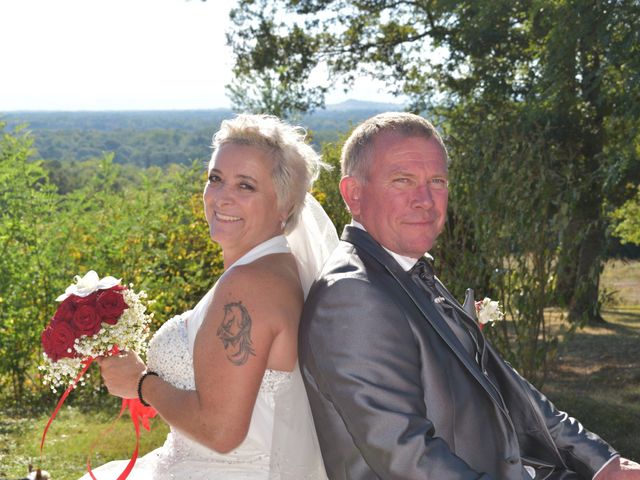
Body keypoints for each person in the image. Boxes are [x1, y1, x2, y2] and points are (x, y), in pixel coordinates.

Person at [298, 111, 640, 480]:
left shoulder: (405, 270)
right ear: (354, 194)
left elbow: (501, 382)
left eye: (437, 181)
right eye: (402, 181)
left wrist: (602, 464)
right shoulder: (353, 297)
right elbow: (408, 458)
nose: (425, 200)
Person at [81, 114, 337, 479]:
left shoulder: (249, 286)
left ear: (284, 205)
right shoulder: (277, 270)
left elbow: (220, 433)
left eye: (245, 186)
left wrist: (141, 383)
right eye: (215, 179)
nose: (222, 197)